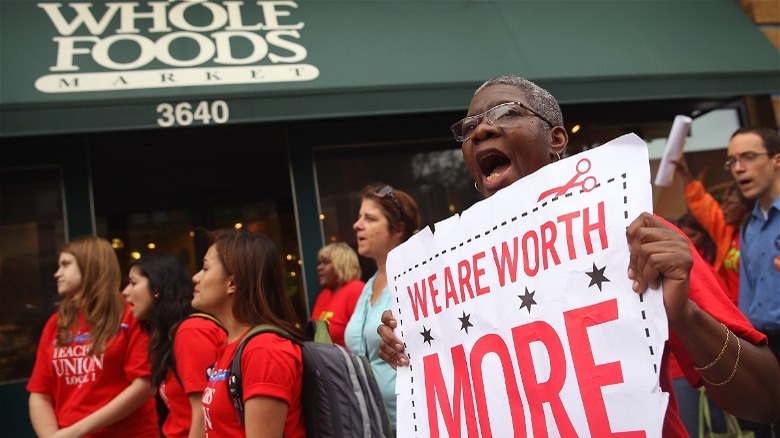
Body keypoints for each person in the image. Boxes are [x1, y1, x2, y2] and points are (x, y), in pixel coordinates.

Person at [376, 75, 780, 434]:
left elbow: (765, 401)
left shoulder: (632, 236)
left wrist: (686, 315)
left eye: (506, 113)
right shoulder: (451, 279)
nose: (481, 130)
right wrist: (417, 343)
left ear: (556, 139)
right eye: (468, 127)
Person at [27, 236, 159, 437]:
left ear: (90, 266)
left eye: (65, 264)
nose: (57, 274)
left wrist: (75, 431)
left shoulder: (131, 315)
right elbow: (40, 394)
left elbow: (146, 385)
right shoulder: (56, 323)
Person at [193, 229, 305, 437]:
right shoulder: (235, 346)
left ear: (232, 283)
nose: (196, 277)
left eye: (205, 268)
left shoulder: (265, 350)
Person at [122, 253, 226, 438]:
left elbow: (204, 413)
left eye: (133, 282)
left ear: (156, 287)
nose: (125, 292)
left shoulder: (190, 331)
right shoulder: (172, 334)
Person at [344, 182, 420, 430]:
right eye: (358, 217)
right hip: (372, 425)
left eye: (369, 218)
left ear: (397, 230)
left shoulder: (415, 280)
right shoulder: (369, 285)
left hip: (411, 424)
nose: (357, 225)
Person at [726, 126, 780, 437]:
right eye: (732, 161)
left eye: (748, 157)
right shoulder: (749, 224)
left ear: (776, 160)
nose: (739, 168)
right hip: (764, 348)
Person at [673, 158, 752, 302]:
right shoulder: (728, 232)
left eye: (730, 203)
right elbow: (704, 206)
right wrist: (686, 176)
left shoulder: (759, 234)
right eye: (724, 202)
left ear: (746, 206)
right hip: (737, 311)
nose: (724, 208)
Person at [310, 242, 364, 346]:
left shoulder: (356, 289)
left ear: (342, 264)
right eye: (319, 263)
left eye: (326, 262)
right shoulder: (323, 295)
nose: (319, 267)